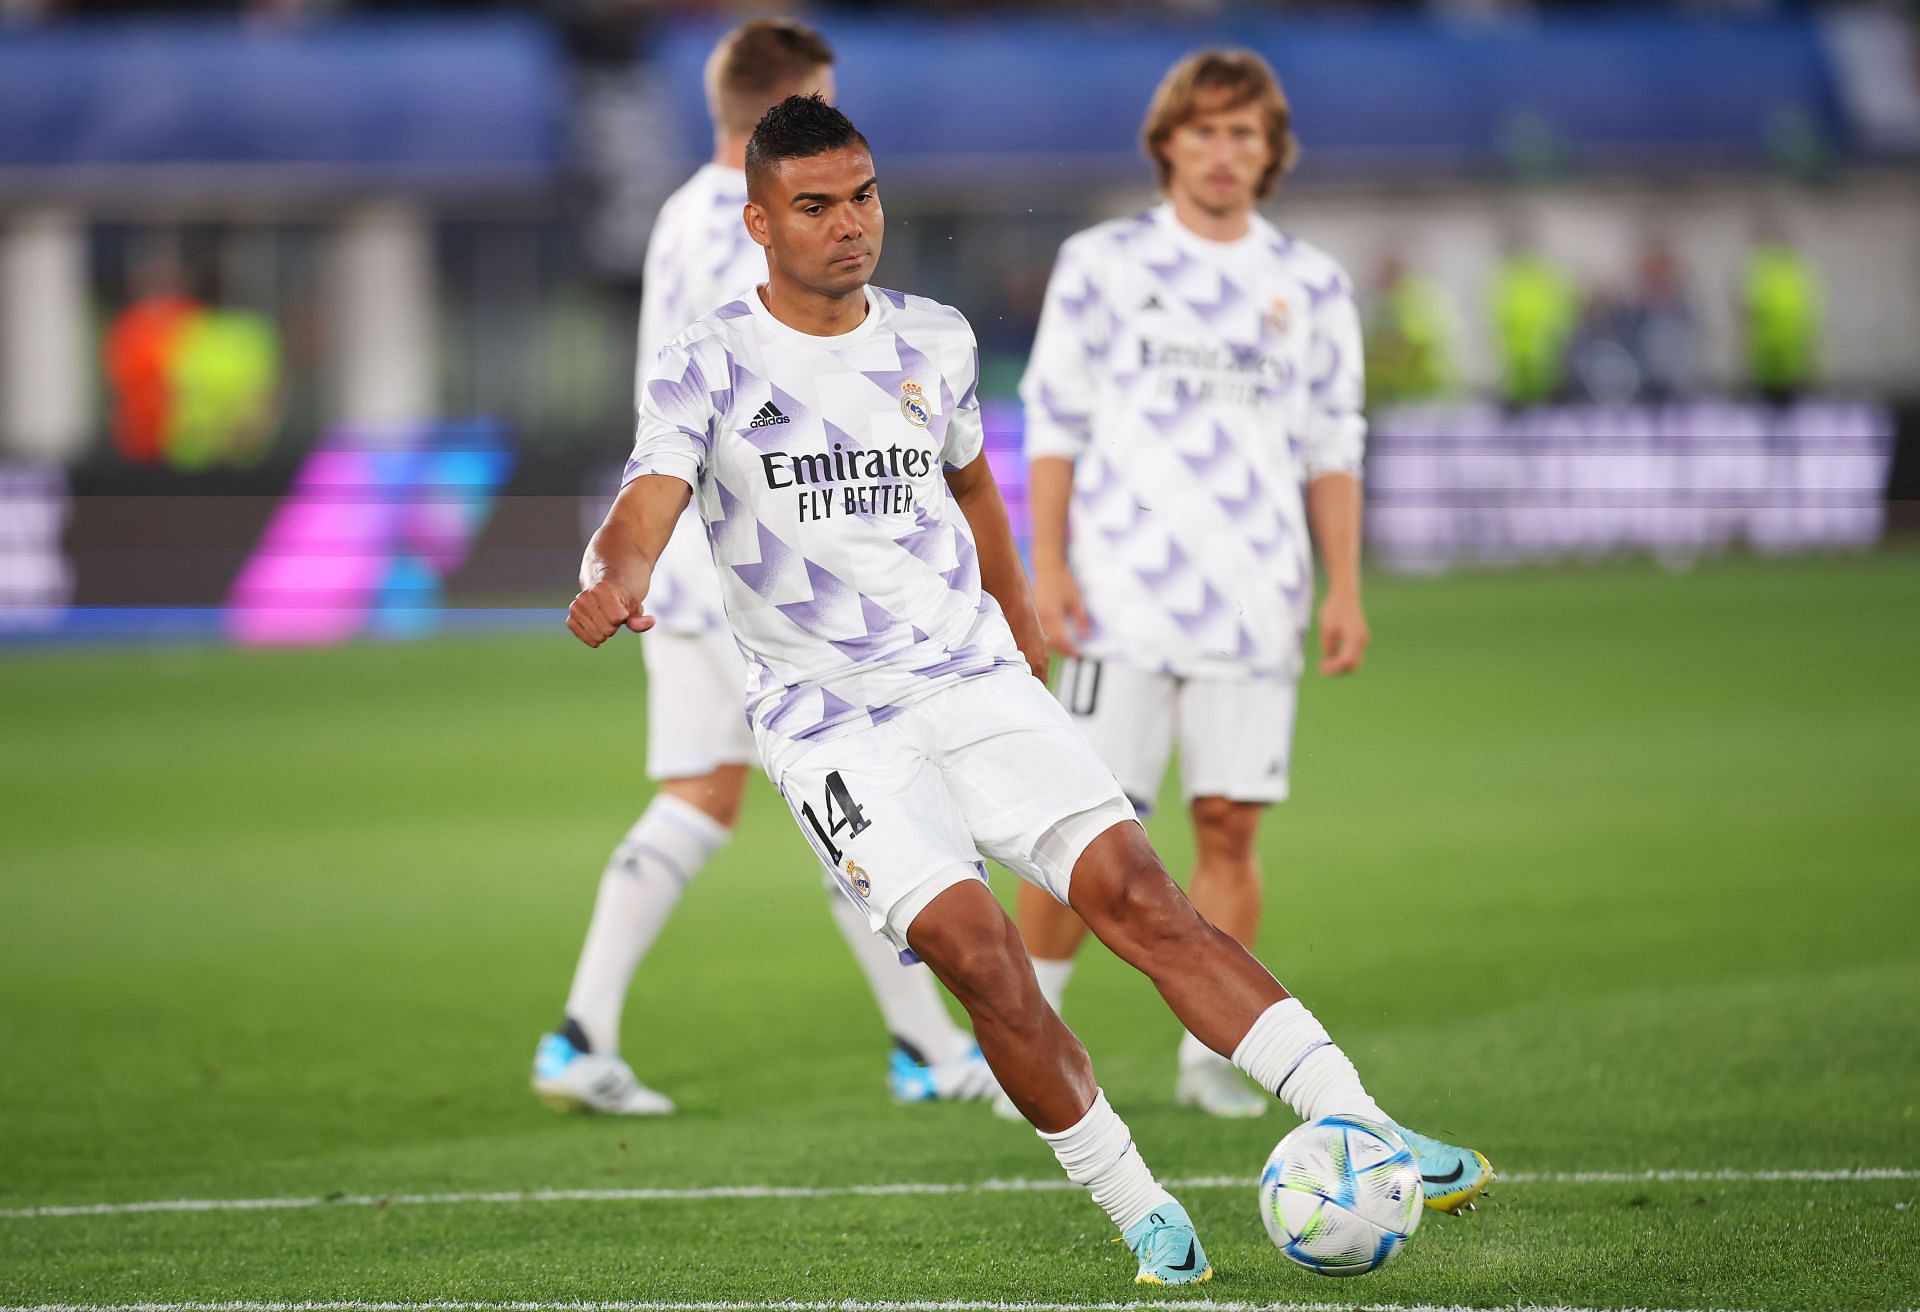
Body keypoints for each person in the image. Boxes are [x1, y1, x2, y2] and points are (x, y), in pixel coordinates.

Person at [569, 93, 1493, 1284]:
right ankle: (1135, 1201)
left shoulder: (933, 339)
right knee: (981, 954)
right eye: (816, 206)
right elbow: (647, 506)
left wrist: (1019, 609)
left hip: (972, 674)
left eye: (864, 196)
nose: (850, 224)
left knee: (1141, 894)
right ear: (758, 221)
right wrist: (618, 576)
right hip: (829, 722)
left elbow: (972, 488)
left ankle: (1360, 1119)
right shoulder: (706, 361)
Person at [533, 19, 997, 1117]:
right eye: (822, 102)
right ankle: (929, 1047)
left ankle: (582, 1032)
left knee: (707, 796)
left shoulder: (679, 215)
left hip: (693, 567)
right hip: (765, 571)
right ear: (783, 104)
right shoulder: (750, 231)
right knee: (862, 790)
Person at [1014, 48, 1369, 1120]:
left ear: (1272, 153)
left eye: (1244, 134)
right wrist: (1049, 563)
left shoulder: (1310, 284)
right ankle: (1033, 1040)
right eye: (1205, 131)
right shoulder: (1102, 261)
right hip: (1118, 596)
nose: (1223, 153)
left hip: (1257, 598)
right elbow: (1057, 419)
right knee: (1079, 834)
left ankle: (1213, 1052)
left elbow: (1332, 442)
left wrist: (1345, 586)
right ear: (1167, 140)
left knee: (1227, 825)